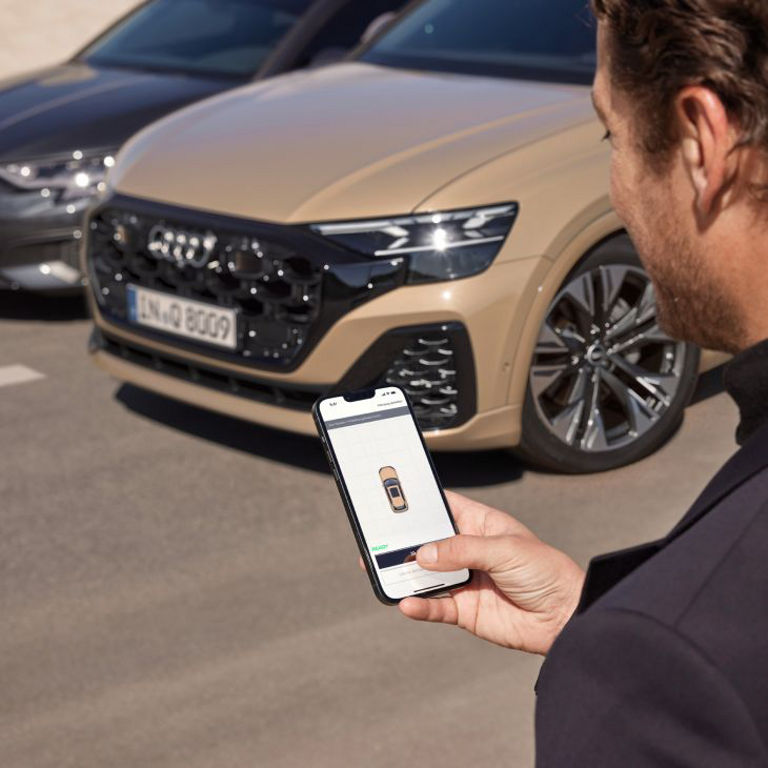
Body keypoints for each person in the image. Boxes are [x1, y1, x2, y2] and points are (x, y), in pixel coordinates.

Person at [396, 2, 768, 764]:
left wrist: (636, 635)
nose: (618, 185)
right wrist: (596, 609)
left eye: (614, 134)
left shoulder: (654, 679)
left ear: (704, 140)